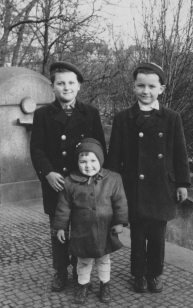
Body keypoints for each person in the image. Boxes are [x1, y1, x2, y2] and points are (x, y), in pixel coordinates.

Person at [108, 62, 191, 293]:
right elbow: (114, 158)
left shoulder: (171, 117)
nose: (146, 91)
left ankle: (154, 274)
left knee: (157, 236)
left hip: (162, 187)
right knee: (137, 234)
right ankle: (139, 275)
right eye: (140, 85)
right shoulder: (123, 118)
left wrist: (183, 183)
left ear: (161, 89)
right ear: (134, 87)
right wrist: (112, 188)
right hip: (133, 186)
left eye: (151, 86)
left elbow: (179, 153)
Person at [30, 61, 107, 292]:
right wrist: (48, 173)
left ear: (79, 86)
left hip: (82, 183)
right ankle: (61, 271)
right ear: (52, 87)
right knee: (58, 229)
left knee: (83, 227)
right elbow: (37, 149)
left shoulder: (90, 113)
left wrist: (96, 178)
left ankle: (80, 270)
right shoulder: (43, 114)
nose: (66, 87)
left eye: (71, 83)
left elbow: (100, 147)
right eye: (60, 83)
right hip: (56, 183)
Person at [53, 138, 128, 304]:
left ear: (100, 160)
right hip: (82, 231)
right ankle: (83, 285)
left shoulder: (113, 179)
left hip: (105, 229)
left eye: (93, 160)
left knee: (104, 259)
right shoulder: (69, 182)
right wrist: (60, 227)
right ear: (77, 162)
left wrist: (119, 222)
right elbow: (63, 208)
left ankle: (105, 284)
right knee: (83, 260)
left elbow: (120, 202)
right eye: (83, 161)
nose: (88, 165)